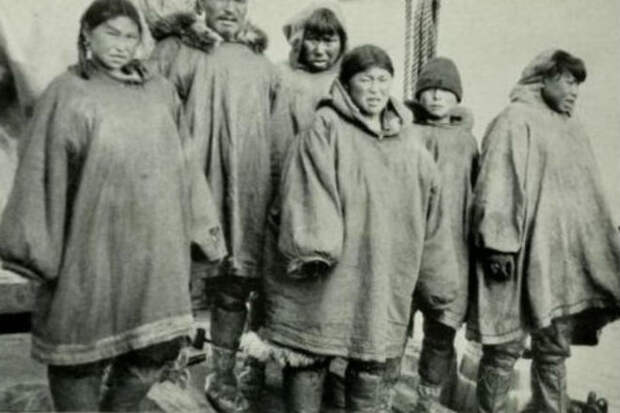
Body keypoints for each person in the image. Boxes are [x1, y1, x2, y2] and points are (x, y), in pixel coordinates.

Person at [0, 0, 226, 411]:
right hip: (90, 249)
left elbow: (188, 167)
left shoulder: (160, 92)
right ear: (87, 35)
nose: (122, 45)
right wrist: (36, 249)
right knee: (78, 355)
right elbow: (39, 173)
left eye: (130, 36)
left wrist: (201, 231)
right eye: (111, 34)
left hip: (154, 249)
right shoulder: (66, 94)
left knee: (155, 348)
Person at [255, 44, 459, 413]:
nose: (376, 89)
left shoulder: (410, 144)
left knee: (370, 361)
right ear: (347, 84)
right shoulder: (324, 127)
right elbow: (305, 189)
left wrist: (439, 281)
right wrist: (313, 248)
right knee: (309, 354)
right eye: (366, 80)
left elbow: (433, 213)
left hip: (381, 274)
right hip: (326, 274)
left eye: (383, 80)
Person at [149, 1, 293, 411]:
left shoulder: (263, 66)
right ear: (199, 3)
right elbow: (147, 120)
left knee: (234, 283)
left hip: (246, 190)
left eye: (239, 0)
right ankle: (166, 367)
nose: (230, 7)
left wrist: (278, 195)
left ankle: (222, 371)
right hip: (187, 186)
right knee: (173, 280)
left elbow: (279, 140)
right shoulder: (173, 52)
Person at [469, 49, 620, 413]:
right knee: (504, 345)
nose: (574, 91)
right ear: (543, 79)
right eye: (568, 81)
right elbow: (496, 184)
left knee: (554, 347)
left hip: (560, 262)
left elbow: (587, 197)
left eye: (577, 84)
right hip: (516, 257)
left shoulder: (572, 128)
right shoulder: (514, 120)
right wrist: (497, 245)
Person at [406, 56, 479, 412]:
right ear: (419, 95)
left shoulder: (467, 143)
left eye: (445, 91)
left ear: (457, 97)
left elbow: (476, 196)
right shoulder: (404, 132)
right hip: (406, 246)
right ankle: (379, 396)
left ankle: (427, 401)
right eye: (430, 89)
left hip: (452, 250)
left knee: (440, 332)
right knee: (392, 327)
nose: (436, 97)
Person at [279, 1, 348, 134]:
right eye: (313, 40)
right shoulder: (281, 76)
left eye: (328, 41)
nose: (319, 50)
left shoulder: (349, 80)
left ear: (342, 43)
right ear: (299, 41)